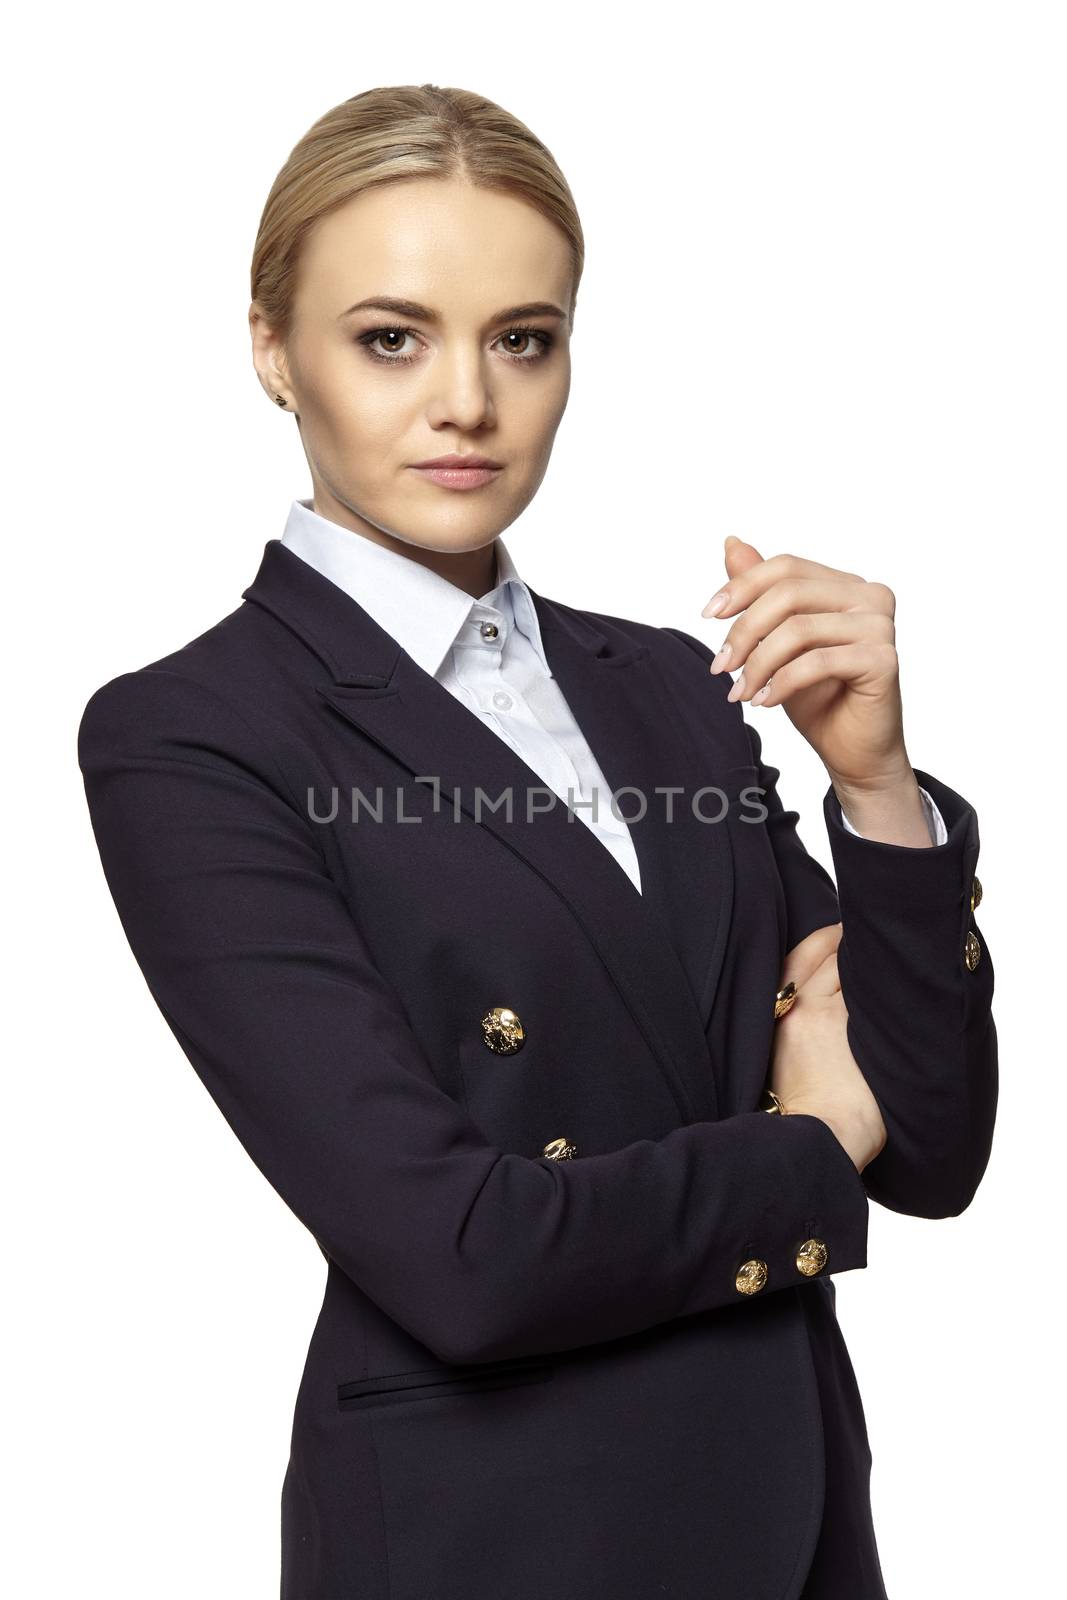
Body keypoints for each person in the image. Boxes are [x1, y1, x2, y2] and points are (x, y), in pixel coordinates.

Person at [76, 84, 998, 1599]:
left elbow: (938, 1149)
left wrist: (881, 794)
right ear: (269, 348)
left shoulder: (673, 689)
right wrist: (812, 1135)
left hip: (789, 1518)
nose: (467, 402)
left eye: (523, 337)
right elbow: (462, 1254)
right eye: (391, 338)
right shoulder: (196, 731)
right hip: (490, 1535)